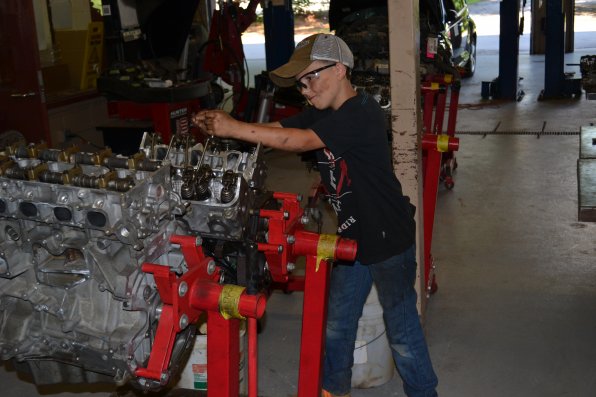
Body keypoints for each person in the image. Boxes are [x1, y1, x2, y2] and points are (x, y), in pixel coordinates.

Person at [192, 33, 438, 397]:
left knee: (401, 328)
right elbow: (284, 130)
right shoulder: (326, 113)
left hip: (389, 241)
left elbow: (301, 141)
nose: (305, 90)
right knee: (339, 322)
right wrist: (233, 130)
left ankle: (424, 392)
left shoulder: (361, 113)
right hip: (353, 238)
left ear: (339, 69)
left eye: (310, 78)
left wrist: (233, 127)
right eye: (300, 84)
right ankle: (334, 388)